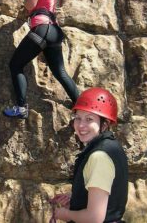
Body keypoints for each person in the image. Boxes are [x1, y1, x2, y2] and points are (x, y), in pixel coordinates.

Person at [3, 0, 80, 119]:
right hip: (53, 31)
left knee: (15, 65)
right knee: (60, 72)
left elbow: (31, 5)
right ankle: (80, 105)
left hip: (42, 28)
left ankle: (21, 108)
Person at [51, 88, 128, 223]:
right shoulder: (113, 147)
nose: (81, 125)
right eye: (78, 118)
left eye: (89, 119)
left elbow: (94, 218)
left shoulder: (99, 157)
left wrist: (66, 214)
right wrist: (76, 198)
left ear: (104, 125)